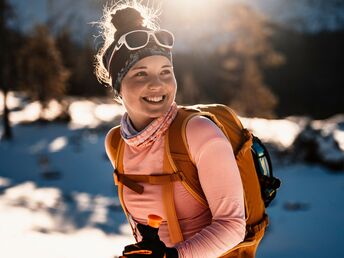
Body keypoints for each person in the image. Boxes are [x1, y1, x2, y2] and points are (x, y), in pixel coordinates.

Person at [95, 2, 246, 257]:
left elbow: (232, 226)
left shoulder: (198, 133)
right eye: (141, 74)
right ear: (119, 87)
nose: (158, 84)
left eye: (166, 71)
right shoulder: (116, 143)